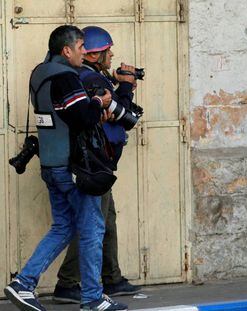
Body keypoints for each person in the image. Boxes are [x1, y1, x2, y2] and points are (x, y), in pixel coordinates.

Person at [3, 25, 127, 311]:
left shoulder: (40, 73)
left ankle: (23, 283)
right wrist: (100, 101)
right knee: (93, 228)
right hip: (72, 166)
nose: (84, 52)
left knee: (63, 227)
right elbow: (82, 116)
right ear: (66, 50)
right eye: (81, 47)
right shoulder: (67, 77)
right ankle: (93, 298)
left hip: (50, 162)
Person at [53, 26, 142, 304]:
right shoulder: (90, 79)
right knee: (92, 224)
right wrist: (126, 85)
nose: (112, 54)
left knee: (107, 220)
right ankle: (68, 283)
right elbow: (127, 116)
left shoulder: (87, 76)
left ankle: (112, 278)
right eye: (108, 51)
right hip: (93, 165)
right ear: (93, 54)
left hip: (98, 165)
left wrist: (115, 81)